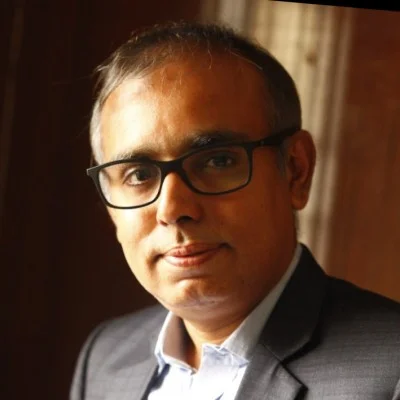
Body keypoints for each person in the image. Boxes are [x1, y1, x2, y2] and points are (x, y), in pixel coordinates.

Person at [70, 21, 400, 400]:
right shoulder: (104, 359)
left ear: (296, 170)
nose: (173, 209)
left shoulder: (391, 373)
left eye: (217, 161)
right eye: (139, 174)